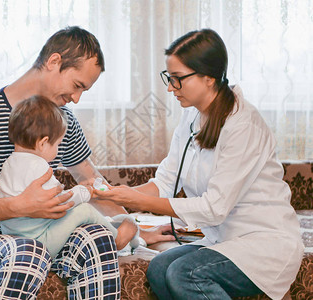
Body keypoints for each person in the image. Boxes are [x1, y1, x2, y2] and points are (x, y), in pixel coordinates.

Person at [0, 25, 170, 299]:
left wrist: (133, 228)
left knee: (97, 238)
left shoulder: (64, 121)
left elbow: (95, 187)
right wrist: (16, 206)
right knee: (30, 252)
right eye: (77, 86)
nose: (76, 98)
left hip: (44, 234)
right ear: (54, 62)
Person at [94, 28, 304, 300]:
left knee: (186, 273)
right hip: (226, 241)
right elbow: (166, 181)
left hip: (264, 243)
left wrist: (137, 201)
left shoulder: (242, 124)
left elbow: (213, 208)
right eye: (169, 79)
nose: (170, 88)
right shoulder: (192, 116)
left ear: (208, 78)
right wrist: (118, 194)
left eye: (178, 79)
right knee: (159, 268)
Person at [0, 95, 139, 257]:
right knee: (85, 210)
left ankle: (121, 233)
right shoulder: (38, 166)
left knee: (85, 217)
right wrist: (85, 192)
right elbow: (61, 203)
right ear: (43, 143)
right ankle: (117, 239)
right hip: (39, 240)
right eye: (58, 144)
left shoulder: (9, 163)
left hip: (14, 237)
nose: (58, 149)